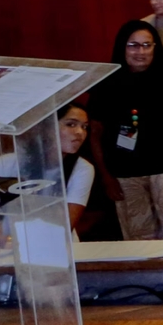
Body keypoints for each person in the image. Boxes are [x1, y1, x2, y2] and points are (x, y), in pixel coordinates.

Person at [93, 20, 163, 240]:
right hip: (125, 175)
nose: (140, 51)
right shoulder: (107, 81)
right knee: (139, 241)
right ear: (122, 47)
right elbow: (95, 133)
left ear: (155, 46)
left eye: (147, 45)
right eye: (133, 45)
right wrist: (106, 176)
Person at [57, 100, 101, 236]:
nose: (80, 133)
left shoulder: (82, 168)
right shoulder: (7, 162)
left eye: (85, 127)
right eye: (71, 124)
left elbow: (64, 226)